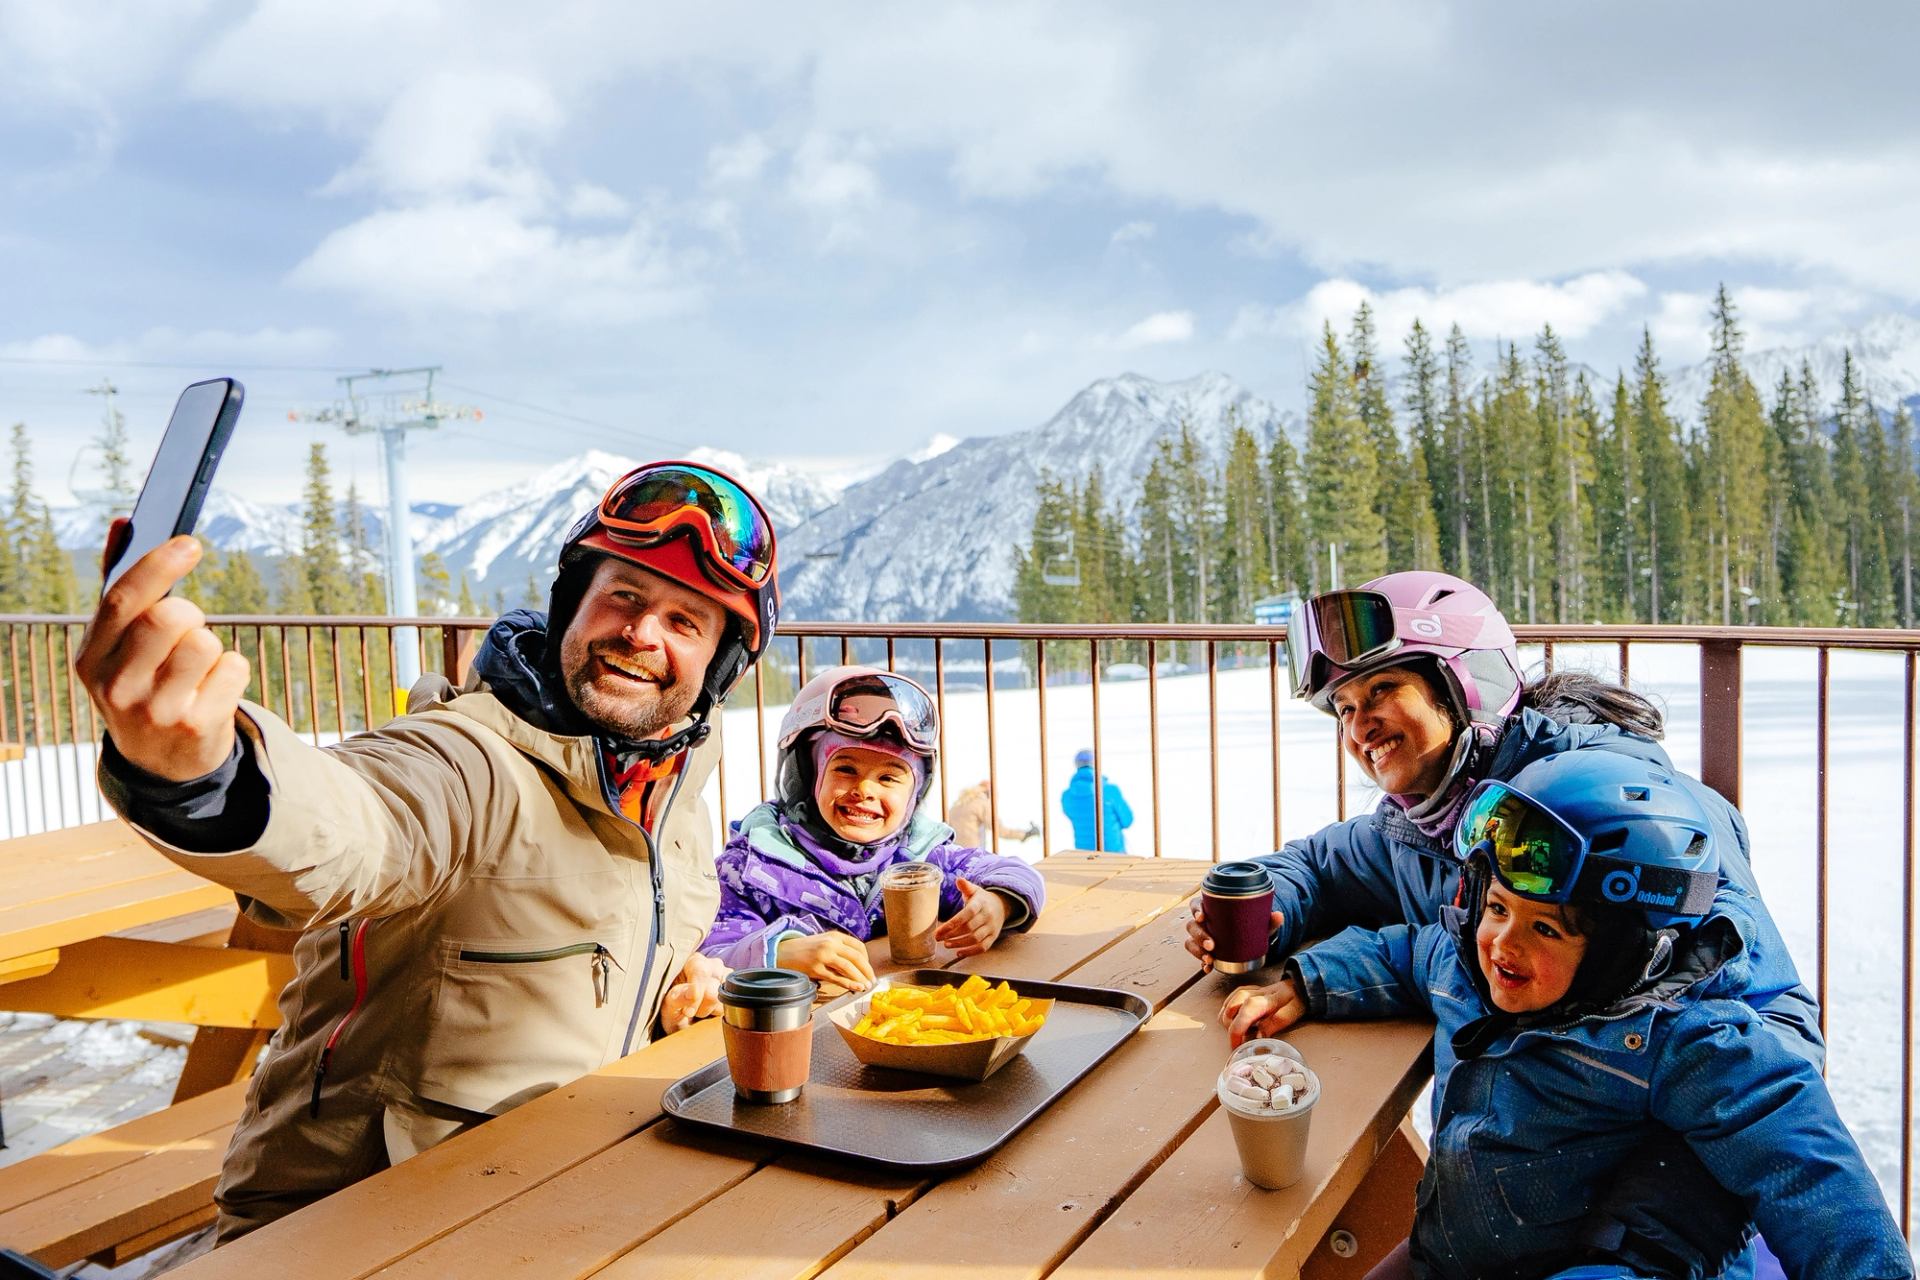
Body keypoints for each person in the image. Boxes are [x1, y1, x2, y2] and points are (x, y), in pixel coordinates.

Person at [74, 460, 782, 1242]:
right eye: (624, 595)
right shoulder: (467, 761)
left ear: (718, 668)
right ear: (570, 609)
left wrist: (666, 982)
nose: (642, 633)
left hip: (554, 1199)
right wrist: (208, 775)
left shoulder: (669, 806)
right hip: (362, 1225)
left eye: (686, 622)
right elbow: (355, 826)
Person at [1191, 570, 1823, 1277]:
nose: (1358, 725)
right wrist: (1271, 914)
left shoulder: (1627, 819)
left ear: (1466, 684)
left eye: (1381, 692)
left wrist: (1640, 1242)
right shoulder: (1423, 823)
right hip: (1499, 1220)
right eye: (1342, 707)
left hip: (1656, 1245)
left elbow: (1777, 1041)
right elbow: (1326, 870)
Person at [1247, 751, 1910, 1280]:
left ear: (1620, 952)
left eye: (1548, 931)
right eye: (1498, 908)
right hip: (1455, 1255)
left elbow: (1814, 1180)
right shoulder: (1469, 969)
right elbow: (1408, 952)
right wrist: (1311, 980)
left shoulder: (1680, 1041)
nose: (1504, 943)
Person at [700, 666, 1046, 985]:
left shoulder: (923, 858)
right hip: (800, 1036)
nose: (864, 790)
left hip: (903, 1025)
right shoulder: (750, 869)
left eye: (888, 778)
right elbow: (710, 954)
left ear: (914, 793)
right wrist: (779, 953)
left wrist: (999, 904)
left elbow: (1015, 873)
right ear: (804, 776)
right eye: (845, 770)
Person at [1061, 748, 1133, 851]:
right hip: (1114, 853)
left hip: (1085, 855)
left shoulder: (1067, 796)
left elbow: (1071, 815)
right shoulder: (1110, 791)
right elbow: (1127, 820)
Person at [946, 779, 1037, 850]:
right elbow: (998, 829)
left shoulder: (957, 805)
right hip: (973, 853)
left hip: (956, 853)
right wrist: (1024, 834)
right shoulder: (982, 803)